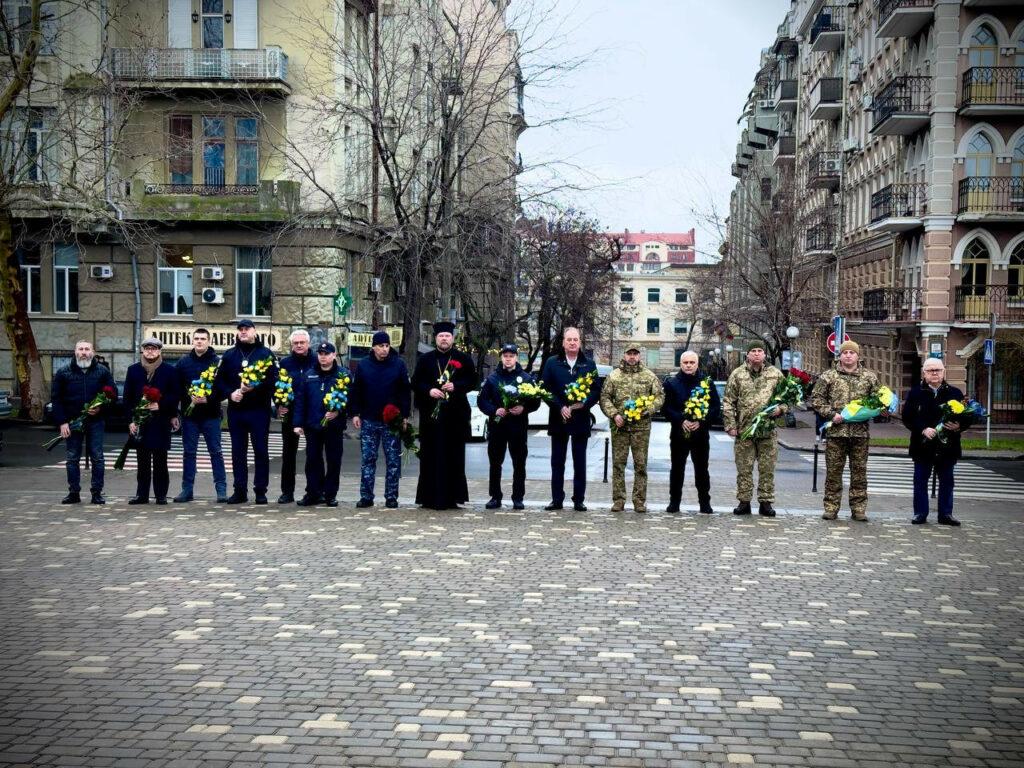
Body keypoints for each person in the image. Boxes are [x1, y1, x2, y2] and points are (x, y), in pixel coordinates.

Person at [811, 340, 880, 522]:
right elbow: (817, 399)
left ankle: (858, 508)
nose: (848, 355)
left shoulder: (869, 377)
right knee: (834, 473)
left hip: (860, 434)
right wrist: (831, 414)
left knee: (859, 472)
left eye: (852, 352)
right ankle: (831, 507)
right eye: (845, 353)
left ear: (858, 356)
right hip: (836, 433)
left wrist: (875, 409)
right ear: (839, 356)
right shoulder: (828, 376)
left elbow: (879, 401)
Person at [411, 321, 477, 509]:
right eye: (441, 336)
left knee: (454, 457)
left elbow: (473, 381)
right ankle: (429, 498)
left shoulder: (463, 358)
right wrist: (429, 390)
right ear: (436, 338)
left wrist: (456, 386)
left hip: (455, 418)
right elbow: (416, 382)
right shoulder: (425, 359)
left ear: (453, 338)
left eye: (447, 336)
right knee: (431, 457)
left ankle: (452, 498)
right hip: (431, 419)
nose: (444, 339)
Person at [213, 318, 277, 504]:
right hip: (237, 411)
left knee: (260, 451)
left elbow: (274, 381)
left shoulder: (265, 354)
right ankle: (239, 490)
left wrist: (256, 387)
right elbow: (219, 382)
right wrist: (230, 394)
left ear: (254, 331)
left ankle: (260, 490)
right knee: (238, 452)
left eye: (247, 329)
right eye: (240, 329)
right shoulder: (229, 355)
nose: (243, 332)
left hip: (259, 410)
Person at [723, 341, 788, 517]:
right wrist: (730, 425)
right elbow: (729, 401)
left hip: (767, 431)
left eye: (760, 351)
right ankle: (744, 502)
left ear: (765, 355)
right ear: (748, 354)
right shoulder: (737, 374)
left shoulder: (775, 374)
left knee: (767, 469)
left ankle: (765, 503)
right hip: (745, 431)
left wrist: (780, 409)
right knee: (744, 468)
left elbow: (786, 398)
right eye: (754, 351)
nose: (757, 354)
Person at [539, 327, 601, 511]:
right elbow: (545, 389)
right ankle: (557, 499)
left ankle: (579, 499)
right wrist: (560, 407)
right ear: (563, 342)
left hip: (580, 419)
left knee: (579, 461)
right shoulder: (552, 362)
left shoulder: (588, 364)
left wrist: (585, 403)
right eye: (569, 340)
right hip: (559, 419)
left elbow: (596, 389)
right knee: (557, 462)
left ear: (580, 342)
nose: (572, 342)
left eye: (575, 339)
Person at [599, 345, 664, 513]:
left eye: (635, 354)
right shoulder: (614, 376)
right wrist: (614, 415)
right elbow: (604, 397)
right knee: (618, 465)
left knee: (640, 465)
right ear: (624, 355)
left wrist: (648, 410)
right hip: (620, 427)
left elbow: (660, 397)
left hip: (641, 428)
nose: (632, 357)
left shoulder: (649, 376)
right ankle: (619, 500)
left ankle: (639, 501)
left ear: (639, 356)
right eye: (629, 354)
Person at [350, 330, 411, 509]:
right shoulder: (364, 365)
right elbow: (357, 390)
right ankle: (366, 496)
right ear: (374, 347)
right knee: (368, 459)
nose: (384, 349)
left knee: (393, 461)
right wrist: (355, 413)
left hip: (392, 421)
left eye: (386, 345)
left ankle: (391, 496)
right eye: (380, 346)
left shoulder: (398, 364)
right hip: (369, 419)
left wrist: (405, 416)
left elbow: (405, 392)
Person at [51, 340, 115, 504]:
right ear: (75, 352)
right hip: (72, 421)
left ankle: (97, 493)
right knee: (72, 458)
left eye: (87, 349)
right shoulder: (63, 372)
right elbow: (56, 399)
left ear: (92, 352)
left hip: (96, 421)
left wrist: (101, 408)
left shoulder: (102, 371)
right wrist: (62, 422)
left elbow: (112, 394)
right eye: (81, 349)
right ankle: (74, 493)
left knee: (98, 458)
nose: (84, 352)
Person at [902, 357, 964, 526]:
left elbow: (965, 417)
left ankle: (946, 514)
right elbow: (907, 417)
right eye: (930, 370)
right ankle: (920, 513)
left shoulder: (955, 393)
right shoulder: (915, 393)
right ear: (924, 373)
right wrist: (923, 428)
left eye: (938, 370)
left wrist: (959, 425)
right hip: (923, 445)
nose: (934, 373)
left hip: (948, 446)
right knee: (920, 480)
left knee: (947, 481)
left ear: (944, 372)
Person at [477, 344, 540, 510]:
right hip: (498, 428)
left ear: (516, 358)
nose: (508, 358)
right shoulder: (492, 379)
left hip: (517, 428)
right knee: (495, 463)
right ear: (501, 358)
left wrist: (523, 408)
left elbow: (536, 402)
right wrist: (494, 410)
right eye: (505, 355)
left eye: (511, 356)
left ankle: (518, 497)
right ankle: (495, 497)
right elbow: (482, 401)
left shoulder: (526, 378)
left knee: (519, 464)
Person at [661, 350, 721, 514]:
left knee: (702, 470)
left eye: (692, 362)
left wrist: (701, 421)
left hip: (700, 435)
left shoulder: (706, 383)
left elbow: (715, 407)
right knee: (677, 469)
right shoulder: (671, 383)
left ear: (697, 364)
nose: (688, 365)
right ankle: (674, 502)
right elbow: (665, 407)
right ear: (680, 364)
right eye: (685, 363)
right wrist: (681, 420)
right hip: (679, 434)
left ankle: (704, 503)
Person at [173, 328, 227, 503]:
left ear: (209, 341)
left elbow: (224, 389)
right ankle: (186, 490)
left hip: (211, 415)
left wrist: (208, 398)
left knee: (216, 452)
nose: (199, 341)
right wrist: (188, 397)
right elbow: (176, 388)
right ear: (192, 341)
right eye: (196, 338)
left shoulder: (217, 363)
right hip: (190, 417)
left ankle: (221, 490)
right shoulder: (183, 362)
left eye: (203, 338)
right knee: (189, 453)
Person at [124, 337, 180, 505]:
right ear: (143, 350)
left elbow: (175, 395)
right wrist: (130, 421)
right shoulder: (133, 370)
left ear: (159, 351)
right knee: (142, 461)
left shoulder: (169, 370)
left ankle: (161, 495)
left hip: (160, 422)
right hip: (140, 423)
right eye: (147, 348)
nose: (150, 351)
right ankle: (142, 495)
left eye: (154, 349)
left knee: (160, 461)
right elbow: (127, 398)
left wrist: (160, 405)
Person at [292, 342, 348, 507]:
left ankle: (330, 494)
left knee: (333, 461)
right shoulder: (309, 375)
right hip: (313, 426)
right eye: (320, 353)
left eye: (326, 353)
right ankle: (313, 493)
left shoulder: (342, 375)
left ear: (334, 355)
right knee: (312, 461)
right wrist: (297, 423)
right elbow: (301, 401)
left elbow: (349, 399)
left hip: (334, 426)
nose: (323, 356)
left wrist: (338, 412)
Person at [276, 329, 314, 504]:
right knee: (288, 455)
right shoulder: (285, 363)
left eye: (302, 343)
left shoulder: (317, 361)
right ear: (291, 345)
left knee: (313, 455)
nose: (299, 346)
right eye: (296, 343)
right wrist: (278, 404)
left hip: (313, 413)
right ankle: (287, 492)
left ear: (308, 344)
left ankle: (313, 491)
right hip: (290, 413)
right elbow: (276, 386)